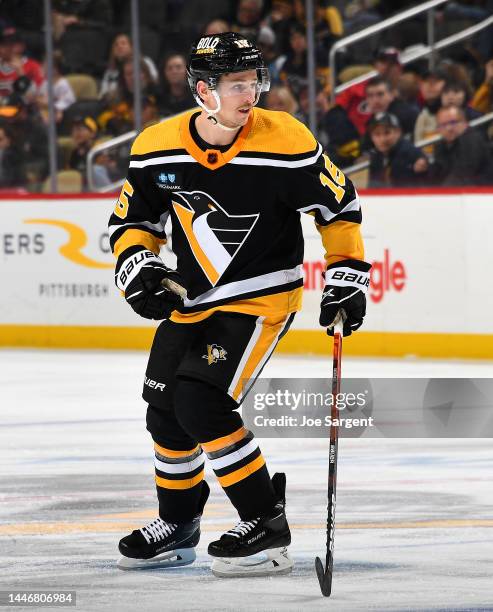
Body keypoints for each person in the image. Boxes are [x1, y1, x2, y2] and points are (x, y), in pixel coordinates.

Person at [108, 32, 371, 577]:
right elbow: (133, 222)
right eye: (235, 84)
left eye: (253, 82)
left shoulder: (285, 140)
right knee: (164, 412)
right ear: (203, 89)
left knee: (202, 403)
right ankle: (178, 523)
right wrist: (139, 268)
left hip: (261, 299)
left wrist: (347, 276)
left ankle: (264, 524)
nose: (249, 94)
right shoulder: (157, 145)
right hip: (193, 298)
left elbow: (338, 206)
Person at [430, 105, 493, 186]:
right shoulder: (441, 145)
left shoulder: (472, 140)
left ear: (465, 123)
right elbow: (435, 174)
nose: (449, 128)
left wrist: (438, 194)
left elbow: (462, 175)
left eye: (453, 122)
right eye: (443, 125)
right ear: (438, 129)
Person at [367, 112, 428, 188]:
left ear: (398, 132)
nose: (382, 139)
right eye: (377, 134)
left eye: (387, 133)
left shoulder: (410, 153)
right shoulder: (376, 157)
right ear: (372, 137)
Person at [99, 33, 158, 102]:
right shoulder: (110, 72)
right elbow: (103, 94)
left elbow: (154, 81)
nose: (119, 46)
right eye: (116, 45)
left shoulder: (145, 61)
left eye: (123, 43)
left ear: (132, 47)